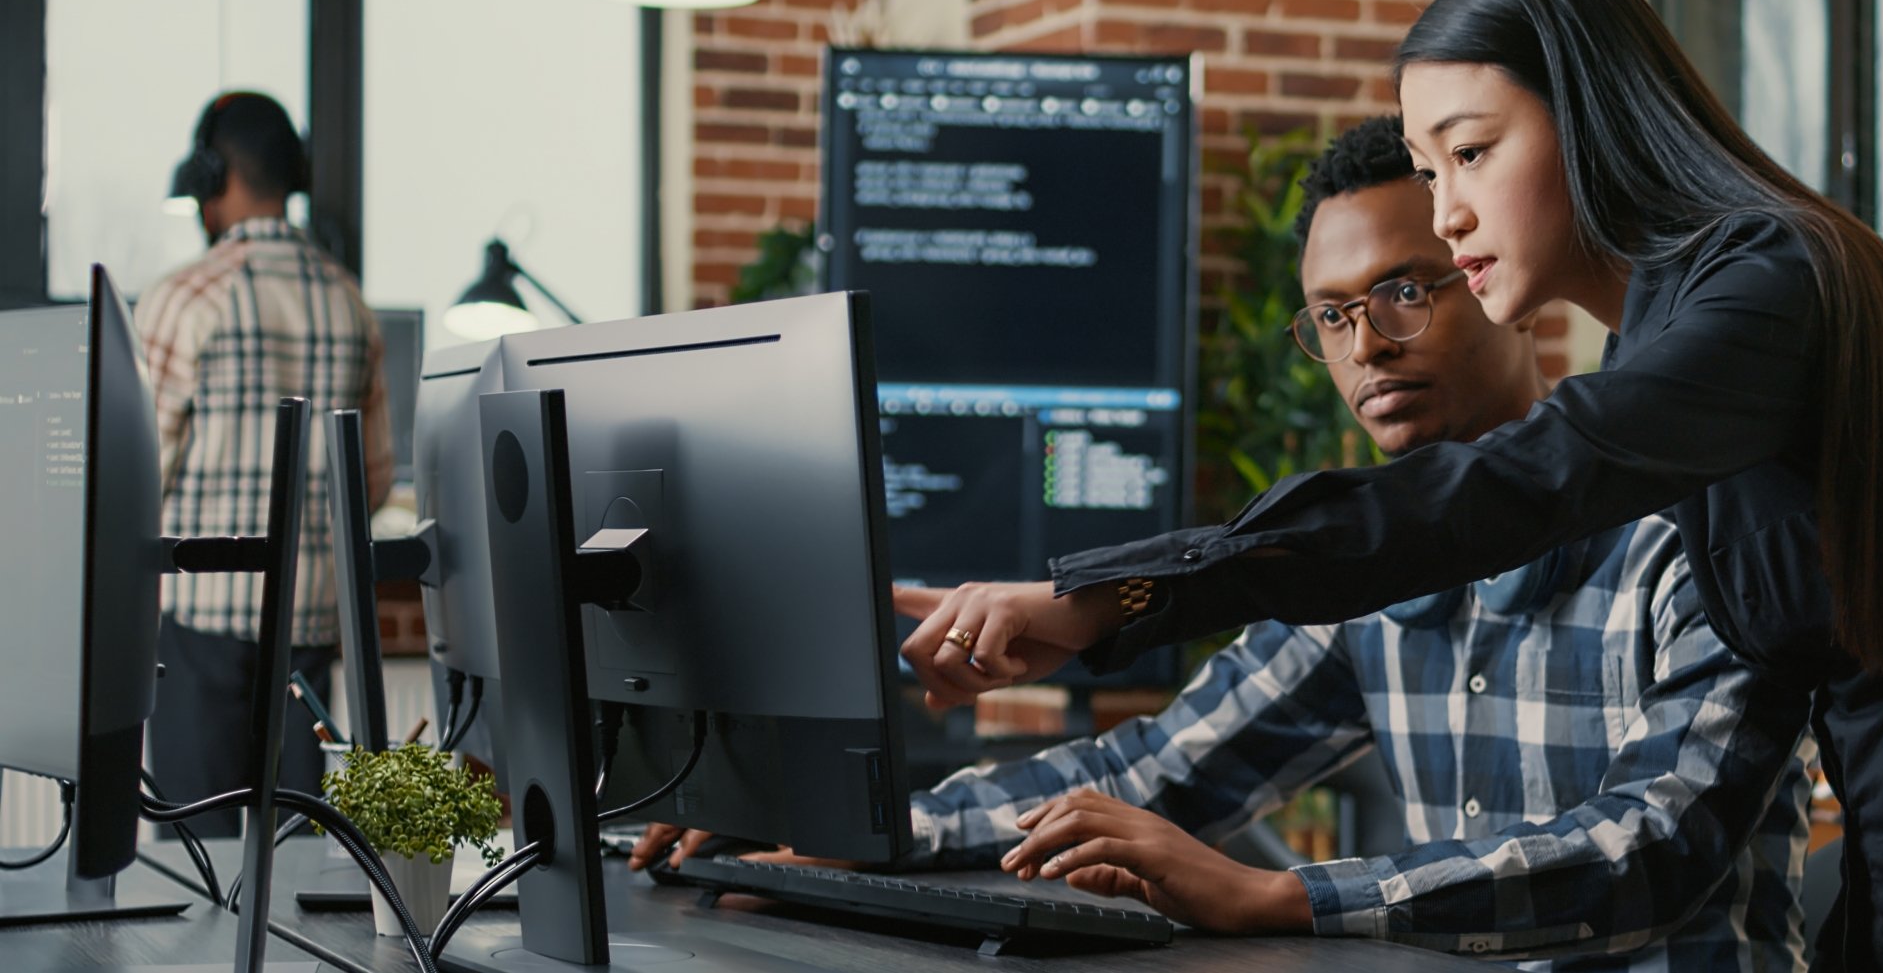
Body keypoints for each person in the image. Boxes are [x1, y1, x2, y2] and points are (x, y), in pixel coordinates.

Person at [898, 0, 1883, 973]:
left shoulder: (1766, 285)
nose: (1452, 211)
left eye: (1473, 154)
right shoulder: (1690, 344)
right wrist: (843, 828)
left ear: (1595, 117)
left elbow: (1524, 484)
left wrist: (1111, 594)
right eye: (1432, 170)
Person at [636, 116, 1820, 971]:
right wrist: (829, 836)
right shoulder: (1360, 581)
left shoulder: (1694, 534)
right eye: (1336, 316)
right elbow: (1148, 770)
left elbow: (1650, 847)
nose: (1369, 345)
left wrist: (1275, 895)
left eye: (1407, 291)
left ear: (1491, 280)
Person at [137, 91, 393, 833]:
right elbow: (370, 482)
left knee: (199, 868)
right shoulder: (351, 303)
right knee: (299, 871)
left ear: (212, 179)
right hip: (307, 633)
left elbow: (135, 479)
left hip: (200, 630)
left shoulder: (184, 298)